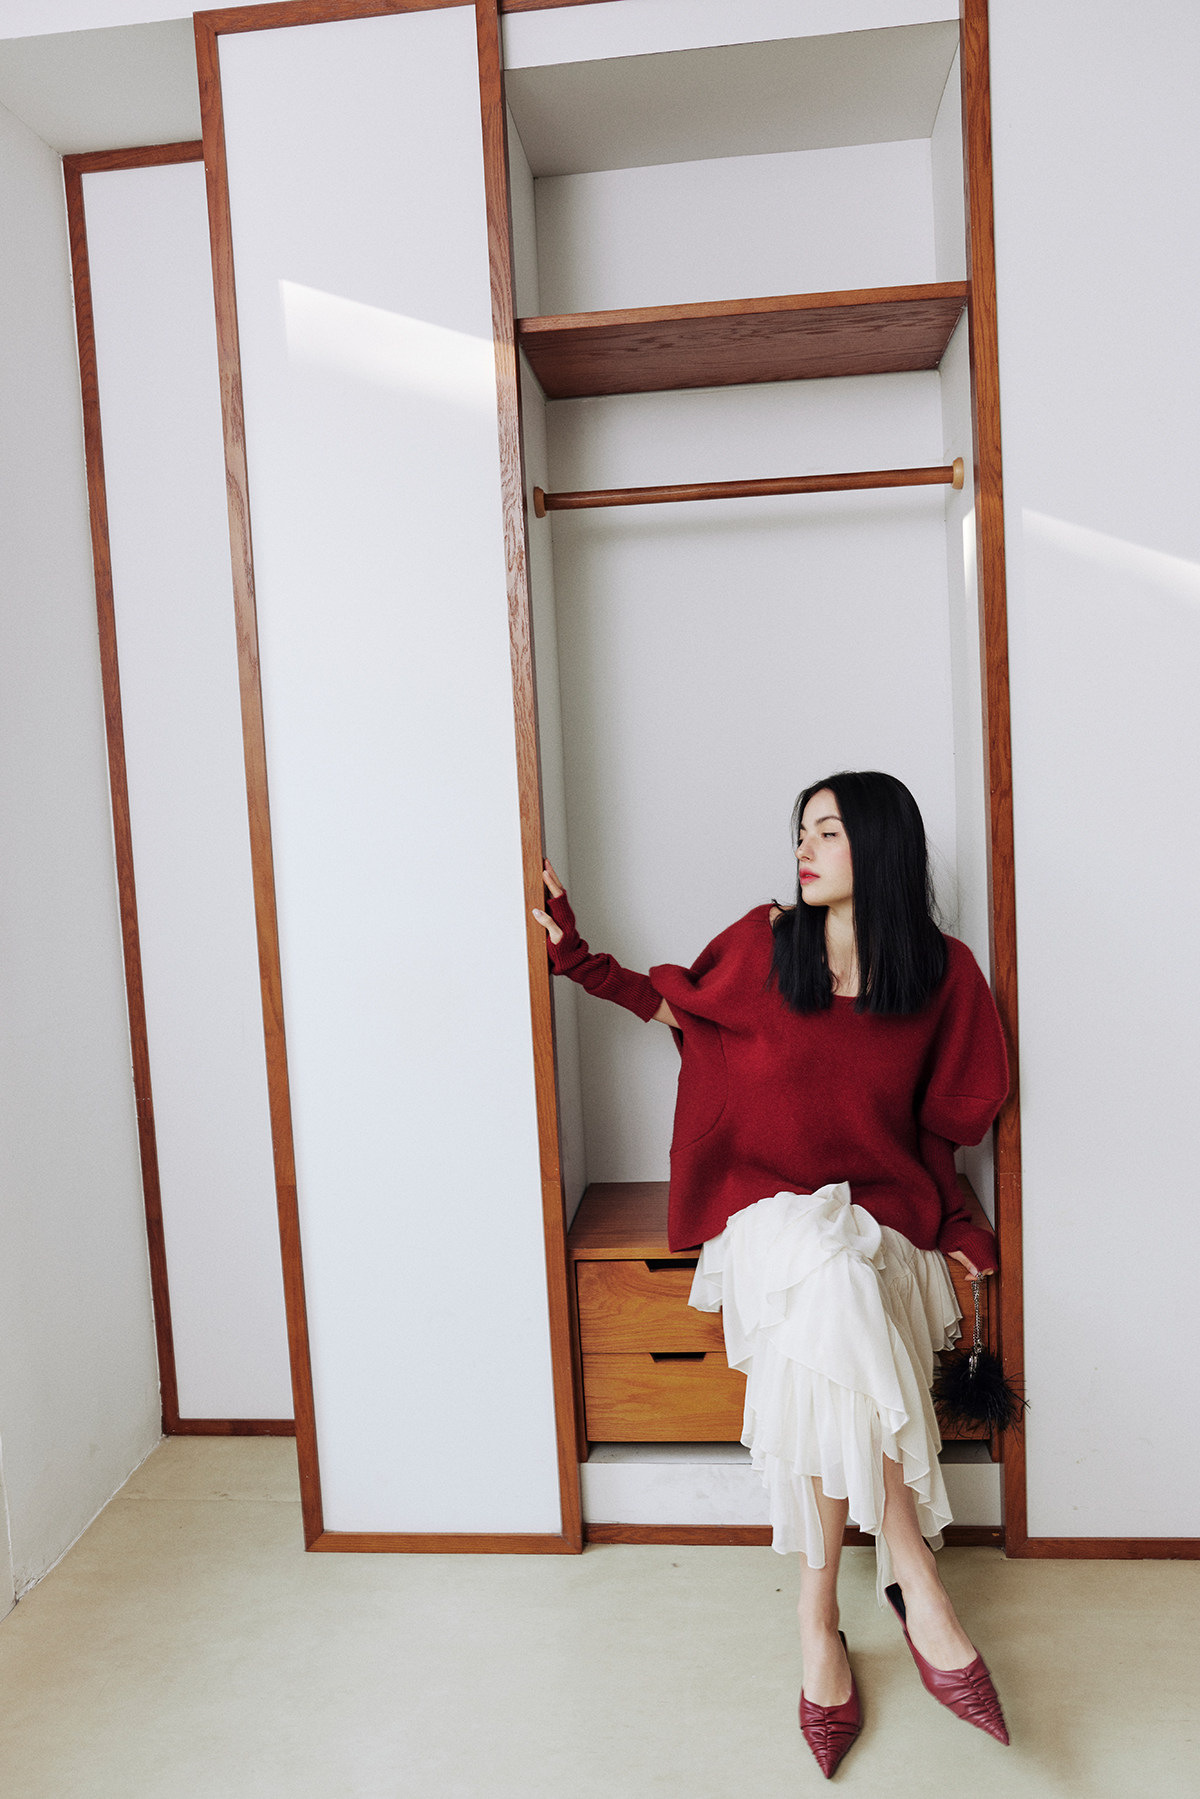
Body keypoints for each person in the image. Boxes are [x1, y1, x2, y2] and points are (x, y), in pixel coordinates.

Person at [532, 770, 1011, 1777]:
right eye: (802, 830)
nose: (804, 847)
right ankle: (914, 1572)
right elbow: (675, 1008)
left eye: (827, 831)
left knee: (836, 1291)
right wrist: (575, 956)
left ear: (879, 843)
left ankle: (817, 1616)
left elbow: (944, 1122)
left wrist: (959, 1219)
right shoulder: (764, 944)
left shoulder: (942, 974)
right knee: (824, 1277)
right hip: (764, 1220)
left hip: (874, 1222)